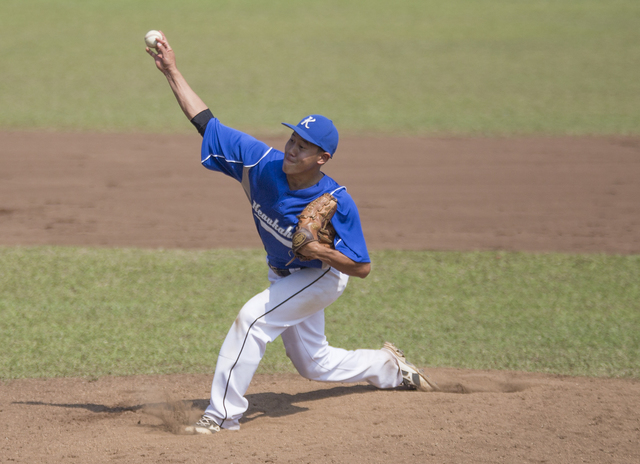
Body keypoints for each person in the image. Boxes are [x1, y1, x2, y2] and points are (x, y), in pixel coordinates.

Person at [146, 31, 437, 434]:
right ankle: (388, 367)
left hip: (320, 276)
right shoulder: (260, 163)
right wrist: (172, 72)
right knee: (313, 364)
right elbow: (207, 124)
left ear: (323, 158)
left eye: (304, 147)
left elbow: (362, 267)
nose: (293, 149)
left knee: (251, 319)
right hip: (281, 271)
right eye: (293, 139)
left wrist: (319, 250)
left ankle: (221, 416)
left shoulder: (337, 200)